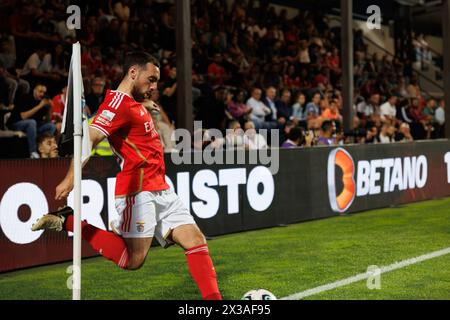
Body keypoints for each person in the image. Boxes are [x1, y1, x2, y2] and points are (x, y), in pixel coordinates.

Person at [31, 52, 222, 300]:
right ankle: (69, 221)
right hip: (138, 190)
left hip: (162, 188)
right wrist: (71, 178)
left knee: (196, 240)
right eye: (151, 79)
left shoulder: (130, 103)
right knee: (133, 260)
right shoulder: (116, 104)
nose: (154, 87)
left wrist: (142, 105)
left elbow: (128, 113)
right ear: (133, 72)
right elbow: (89, 139)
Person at [6, 84, 56, 158]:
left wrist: (50, 108)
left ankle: (45, 150)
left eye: (44, 92)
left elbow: (47, 120)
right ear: (34, 90)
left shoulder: (42, 101)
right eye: (40, 91)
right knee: (31, 122)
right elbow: (23, 116)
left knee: (51, 126)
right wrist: (40, 106)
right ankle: (33, 152)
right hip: (16, 124)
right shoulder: (25, 98)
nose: (42, 94)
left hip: (33, 127)